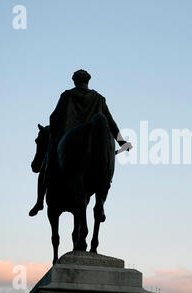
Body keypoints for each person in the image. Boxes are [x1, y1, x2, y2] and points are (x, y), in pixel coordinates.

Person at [29, 69, 131, 217]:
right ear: (87, 81)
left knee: (47, 162)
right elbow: (110, 123)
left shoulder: (66, 96)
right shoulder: (99, 99)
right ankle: (101, 197)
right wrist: (122, 142)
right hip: (93, 144)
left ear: (75, 81)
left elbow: (54, 119)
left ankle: (39, 201)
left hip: (67, 141)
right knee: (105, 161)